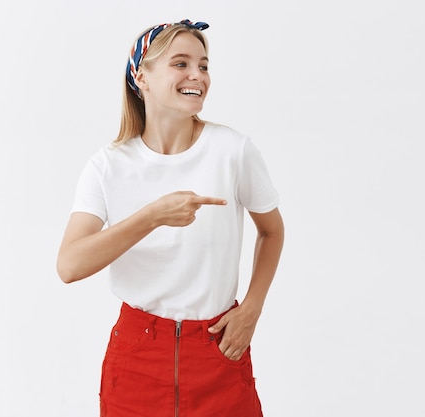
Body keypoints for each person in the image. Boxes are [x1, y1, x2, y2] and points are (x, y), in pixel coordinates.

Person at [56, 18, 284, 417]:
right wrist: (153, 216)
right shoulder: (107, 166)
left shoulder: (233, 150)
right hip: (137, 353)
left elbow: (272, 231)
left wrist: (251, 308)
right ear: (141, 76)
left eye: (204, 64)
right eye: (181, 63)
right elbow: (70, 266)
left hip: (218, 346)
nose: (198, 75)